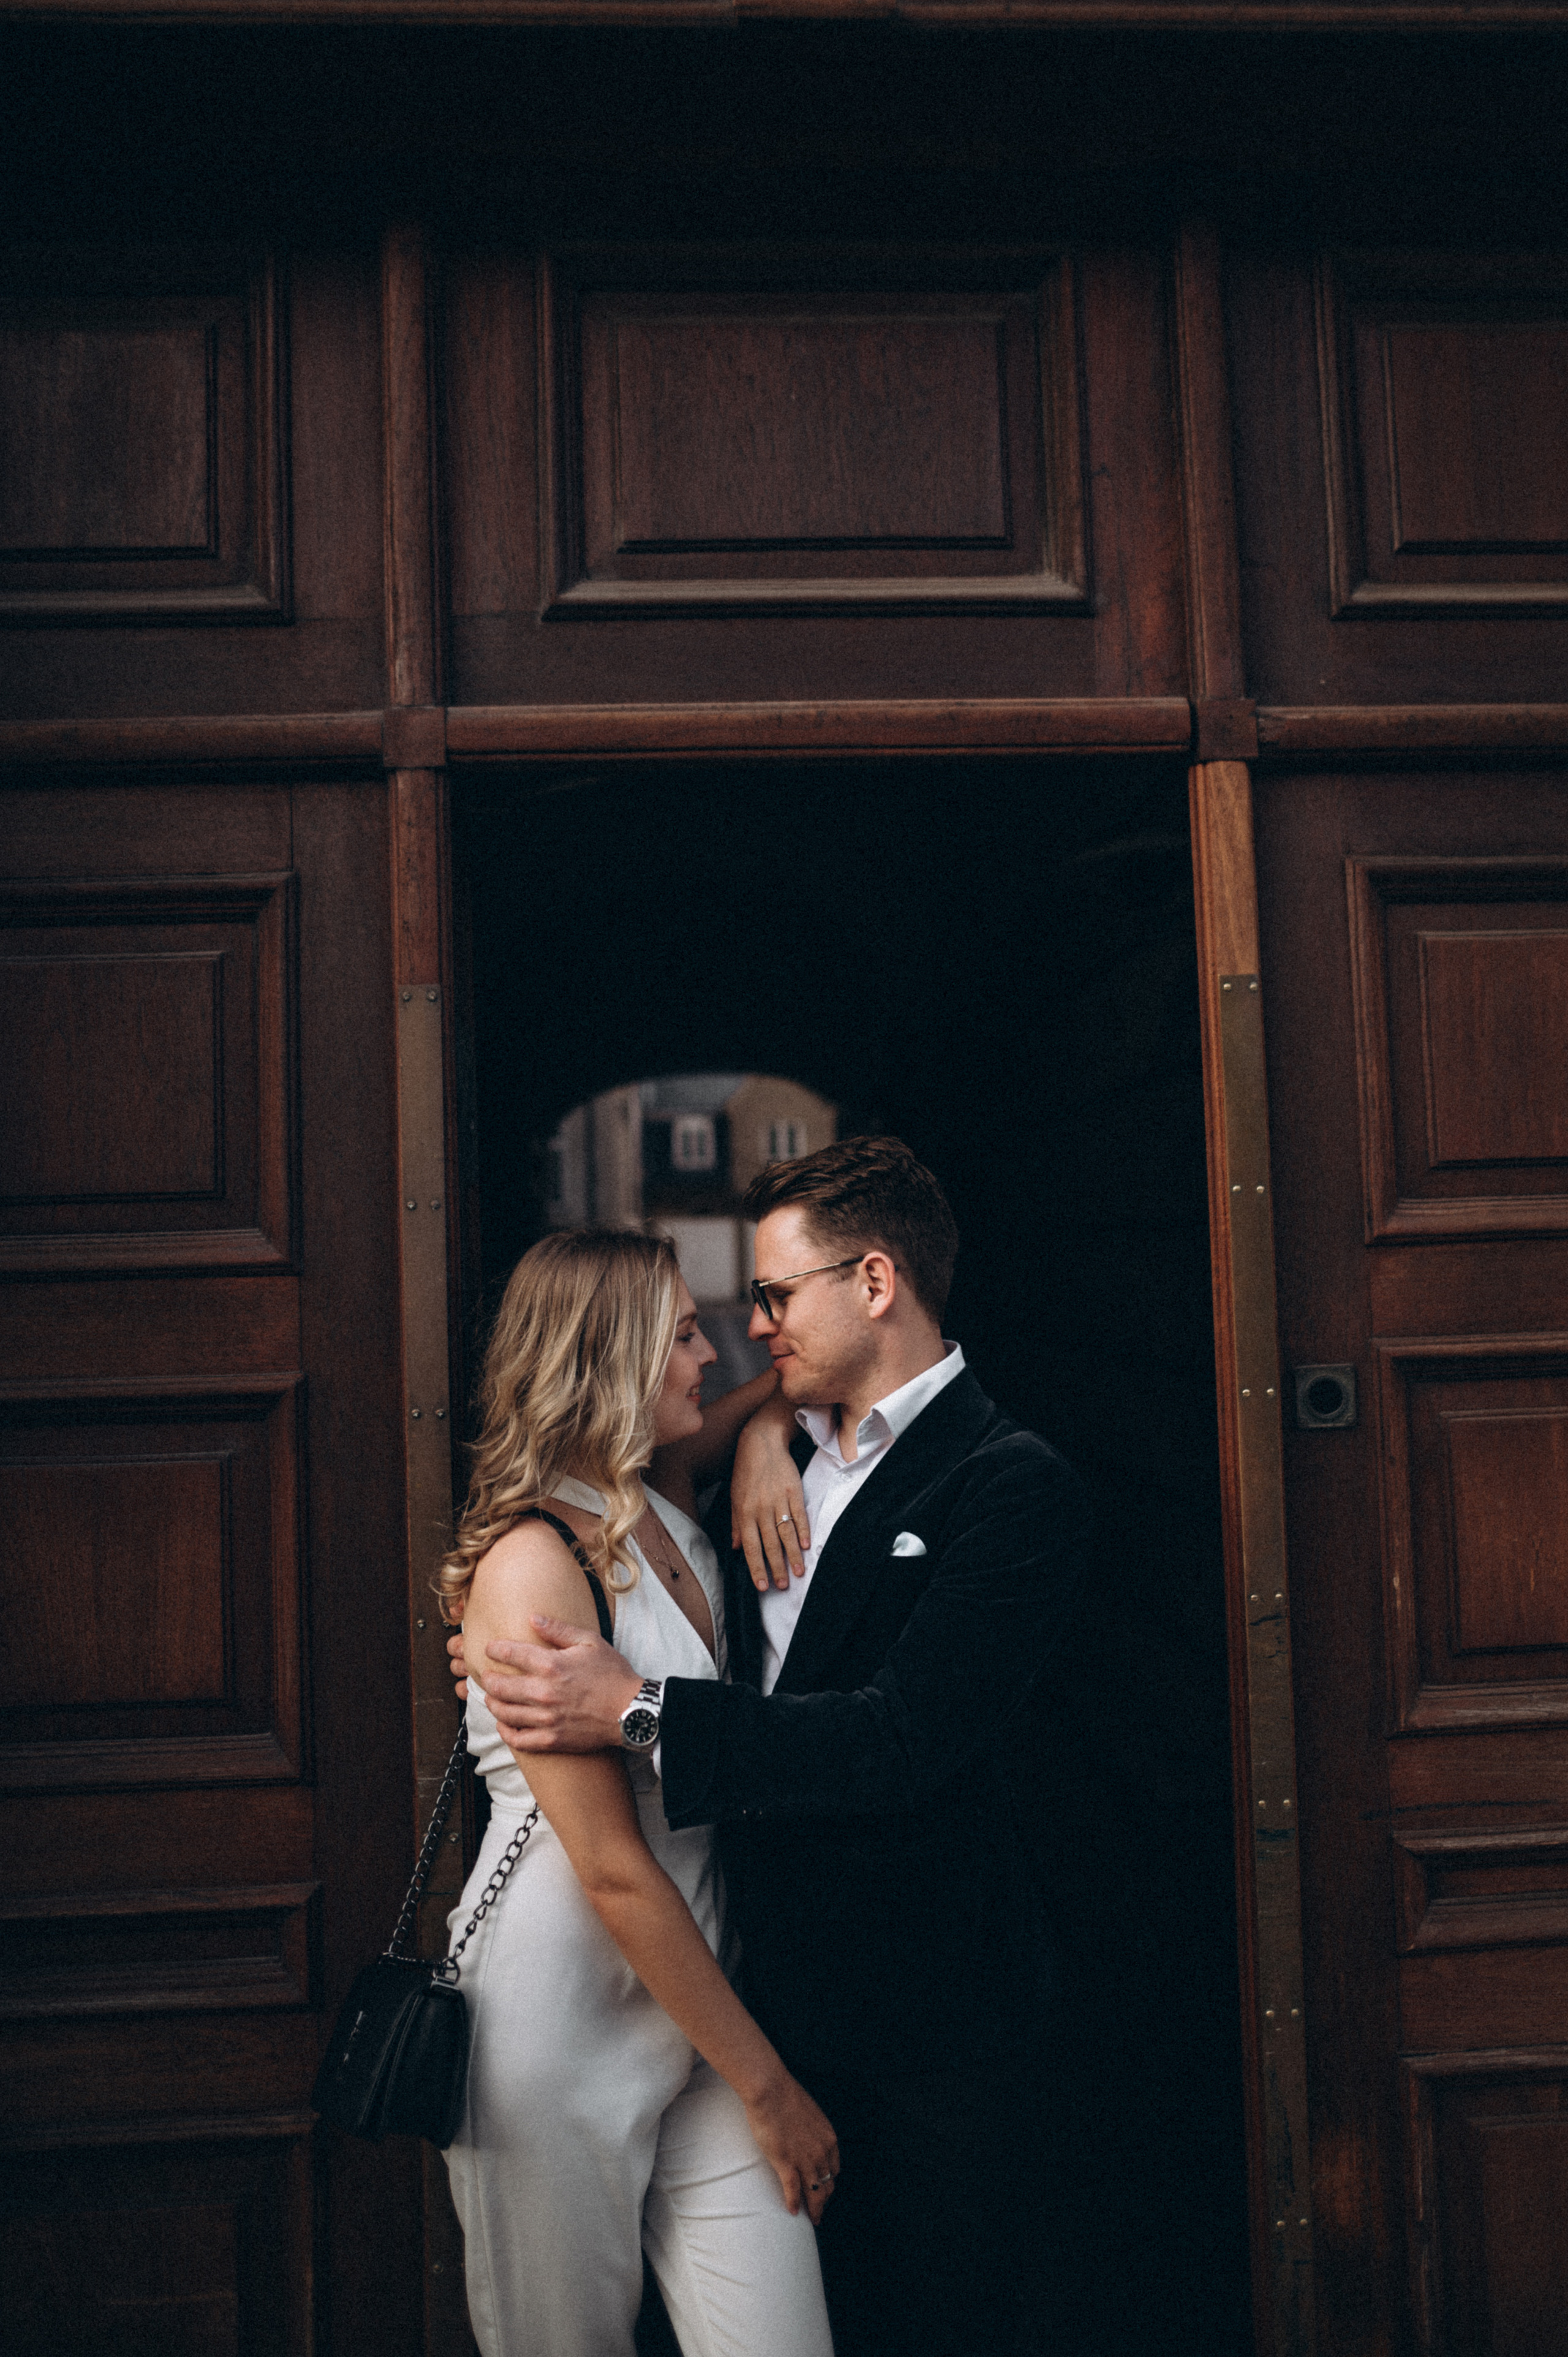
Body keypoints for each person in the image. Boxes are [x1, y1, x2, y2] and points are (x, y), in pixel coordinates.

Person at [454, 1140, 1091, 2357]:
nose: (741, 1336)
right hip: (674, 2006)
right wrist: (769, 1422)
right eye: (702, 1325)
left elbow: (896, 1740)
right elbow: (603, 1836)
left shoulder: (1007, 1486)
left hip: (890, 2015)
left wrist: (635, 1705)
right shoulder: (707, 1481)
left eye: (770, 1299)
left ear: (873, 1282)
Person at [437, 1227, 837, 2357]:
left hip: (699, 2002)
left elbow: (761, 1394)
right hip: (555, 2038)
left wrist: (766, 1426)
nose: (707, 1350)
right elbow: (613, 1869)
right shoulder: (533, 1562)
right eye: (677, 1334)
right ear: (608, 1359)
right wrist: (770, 2087)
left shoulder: (655, 1492)